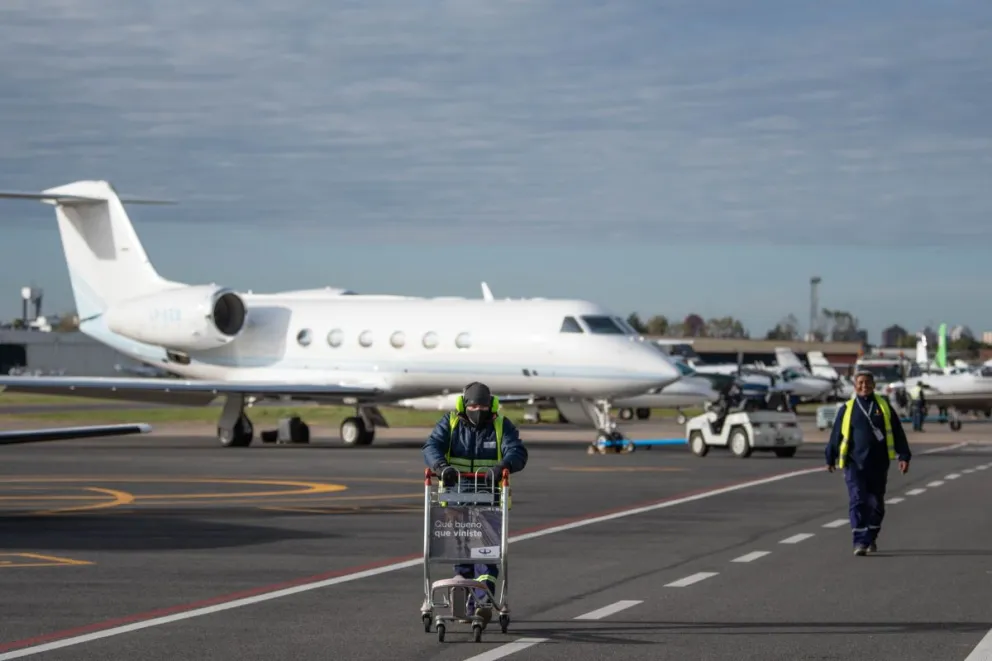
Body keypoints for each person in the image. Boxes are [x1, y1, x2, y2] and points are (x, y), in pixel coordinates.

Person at [422, 381, 528, 617]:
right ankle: (463, 592)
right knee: (461, 553)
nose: (478, 411)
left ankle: (483, 602)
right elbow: (431, 446)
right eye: (473, 406)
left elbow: (517, 452)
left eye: (482, 406)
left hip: (489, 501)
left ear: (491, 405)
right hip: (455, 500)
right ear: (464, 405)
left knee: (486, 556)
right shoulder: (449, 423)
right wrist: (441, 467)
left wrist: (502, 466)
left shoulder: (501, 425)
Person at [825, 370, 912, 556]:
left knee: (876, 503)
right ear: (855, 386)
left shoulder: (884, 406)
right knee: (857, 500)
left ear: (873, 385)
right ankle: (859, 542)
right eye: (860, 383)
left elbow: (897, 432)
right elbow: (836, 435)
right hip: (854, 463)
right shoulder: (847, 409)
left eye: (867, 383)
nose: (864, 386)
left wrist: (903, 456)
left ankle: (871, 535)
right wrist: (830, 457)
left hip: (878, 463)